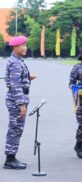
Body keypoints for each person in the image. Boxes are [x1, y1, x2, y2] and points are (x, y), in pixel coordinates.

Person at [4, 36, 37, 169]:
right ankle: (10, 160)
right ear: (15, 47)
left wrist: (28, 77)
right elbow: (15, 85)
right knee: (15, 129)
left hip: (15, 98)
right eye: (23, 45)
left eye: (26, 45)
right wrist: (21, 105)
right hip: (16, 99)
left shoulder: (16, 60)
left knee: (16, 128)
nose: (25, 48)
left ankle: (11, 157)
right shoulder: (16, 63)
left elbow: (15, 80)